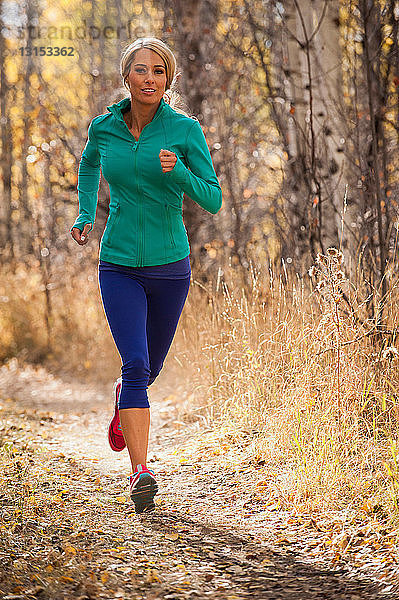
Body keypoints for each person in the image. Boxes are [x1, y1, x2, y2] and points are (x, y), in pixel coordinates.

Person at [70, 37, 222, 514]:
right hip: (117, 263)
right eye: (142, 70)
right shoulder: (105, 128)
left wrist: (178, 174)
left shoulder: (184, 130)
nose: (151, 78)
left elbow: (213, 198)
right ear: (126, 78)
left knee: (147, 371)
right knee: (135, 365)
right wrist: (84, 213)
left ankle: (124, 400)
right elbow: (90, 164)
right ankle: (141, 472)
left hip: (170, 267)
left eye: (159, 71)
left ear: (168, 78)